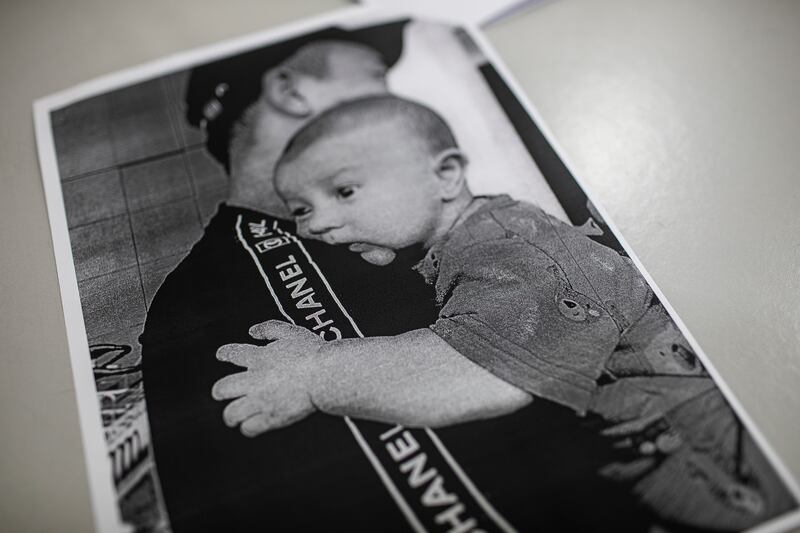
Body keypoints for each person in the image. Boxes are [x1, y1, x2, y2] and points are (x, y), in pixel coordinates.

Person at [213, 95, 796, 530]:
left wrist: (317, 372)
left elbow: (476, 375)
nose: (314, 224)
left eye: (343, 192)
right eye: (300, 209)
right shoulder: (465, 243)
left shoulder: (513, 249)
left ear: (445, 175)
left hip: (725, 458)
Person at [139, 24, 443, 532]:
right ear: (290, 91)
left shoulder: (413, 236)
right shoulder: (194, 309)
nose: (400, 108)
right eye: (376, 81)